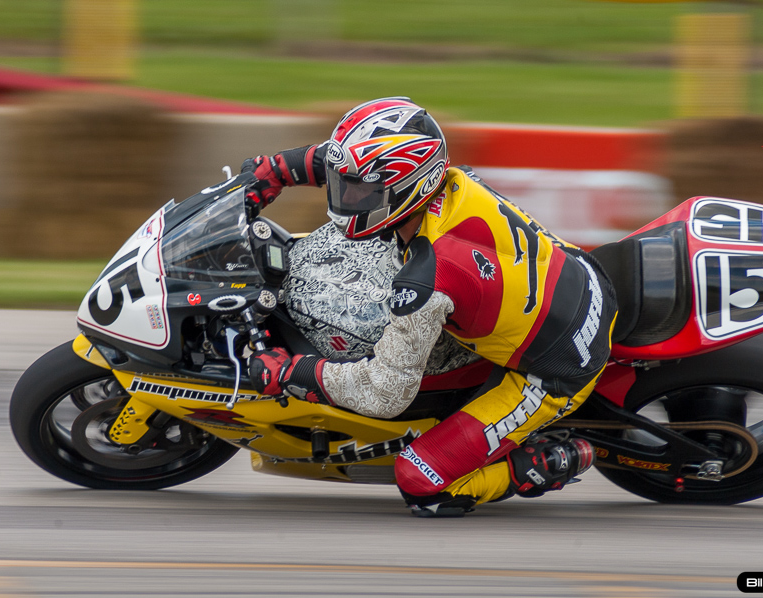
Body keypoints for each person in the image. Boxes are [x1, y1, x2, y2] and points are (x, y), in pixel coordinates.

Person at [244, 97, 617, 516]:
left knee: (421, 482)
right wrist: (276, 169)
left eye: (362, 191)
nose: (346, 197)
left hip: (556, 366)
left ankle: (538, 464)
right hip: (576, 273)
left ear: (411, 187)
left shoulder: (427, 279)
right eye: (344, 183)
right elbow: (344, 163)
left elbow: (384, 393)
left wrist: (293, 373)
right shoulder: (454, 181)